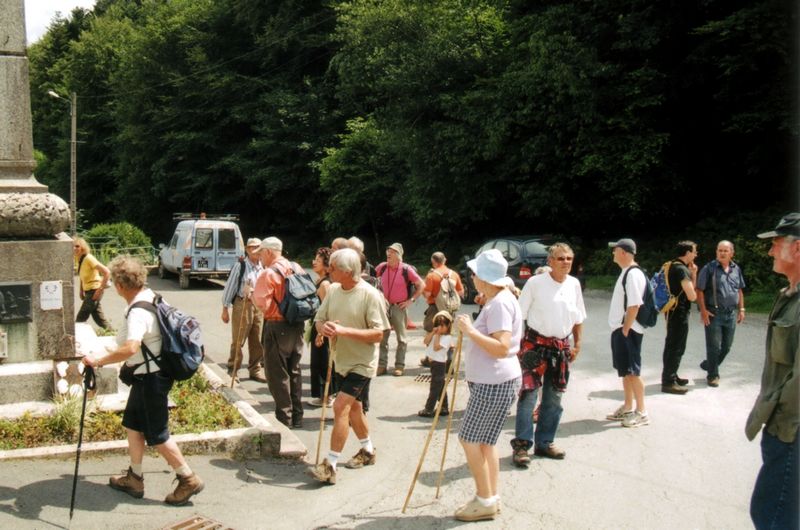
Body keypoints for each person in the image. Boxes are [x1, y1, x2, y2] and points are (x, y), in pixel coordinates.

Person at [81, 255, 203, 505]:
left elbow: (130, 347)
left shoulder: (137, 311)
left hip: (151, 380)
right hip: (147, 377)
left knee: (157, 434)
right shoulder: (150, 296)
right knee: (133, 426)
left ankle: (188, 478)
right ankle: (134, 478)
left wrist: (98, 361)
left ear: (120, 285)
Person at [452, 249, 522, 522]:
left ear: (483, 278)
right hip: (496, 381)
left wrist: (469, 331)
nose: (470, 277)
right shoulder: (499, 298)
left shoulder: (500, 303)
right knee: (485, 442)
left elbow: (502, 347)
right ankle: (490, 496)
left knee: (469, 438)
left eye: (474, 274)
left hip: (494, 382)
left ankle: (484, 499)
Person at [309, 248, 390, 485]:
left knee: (341, 407)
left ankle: (330, 465)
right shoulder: (333, 291)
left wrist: (344, 331)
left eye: (332, 268)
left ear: (346, 271)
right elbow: (318, 319)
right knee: (354, 409)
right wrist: (323, 328)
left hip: (362, 364)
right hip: (340, 360)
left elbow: (378, 334)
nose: (328, 271)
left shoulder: (369, 295)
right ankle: (368, 450)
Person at [746, 213, 799, 530]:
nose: (769, 251)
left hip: (790, 431)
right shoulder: (789, 295)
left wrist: (780, 418)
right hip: (782, 429)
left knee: (774, 518)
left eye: (776, 244)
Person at [510, 243, 585, 466]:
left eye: (569, 258)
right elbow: (518, 316)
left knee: (554, 399)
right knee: (528, 396)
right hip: (534, 346)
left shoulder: (574, 284)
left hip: (561, 348)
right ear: (550, 261)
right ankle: (522, 445)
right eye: (561, 258)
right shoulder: (535, 283)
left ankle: (545, 443)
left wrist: (577, 344)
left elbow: (578, 318)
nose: (566, 262)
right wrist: (516, 348)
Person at [252, 237, 306, 428]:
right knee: (295, 370)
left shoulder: (268, 273)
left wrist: (250, 292)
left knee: (277, 373)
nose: (259, 257)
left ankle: (284, 419)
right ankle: (298, 415)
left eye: (260, 253)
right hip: (297, 325)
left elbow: (262, 304)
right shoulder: (296, 267)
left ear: (268, 252)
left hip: (277, 325)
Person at [606, 238, 650, 428]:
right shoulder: (627, 272)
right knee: (626, 371)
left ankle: (642, 412)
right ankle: (627, 407)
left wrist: (625, 329)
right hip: (623, 329)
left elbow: (634, 304)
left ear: (623, 252)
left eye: (615, 250)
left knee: (633, 371)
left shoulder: (633, 274)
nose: (613, 253)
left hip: (628, 330)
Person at [696, 240, 747, 387]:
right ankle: (713, 375)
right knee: (713, 346)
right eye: (720, 250)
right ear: (716, 252)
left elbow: (740, 289)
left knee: (727, 347)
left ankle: (710, 364)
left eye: (725, 250)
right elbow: (699, 290)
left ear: (732, 253)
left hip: (730, 314)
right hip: (714, 313)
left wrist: (741, 309)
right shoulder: (709, 268)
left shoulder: (736, 269)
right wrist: (703, 311)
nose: (722, 253)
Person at [220, 237, 266, 383]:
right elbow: (230, 287)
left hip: (258, 305)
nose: (255, 250)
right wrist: (225, 309)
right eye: (252, 247)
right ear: (247, 249)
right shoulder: (240, 266)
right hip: (242, 304)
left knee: (257, 339)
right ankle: (233, 369)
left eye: (258, 247)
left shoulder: (263, 266)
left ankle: (255, 369)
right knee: (239, 338)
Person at [375, 243, 424, 376]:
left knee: (401, 338)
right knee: (382, 337)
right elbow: (371, 279)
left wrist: (411, 301)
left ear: (398, 255)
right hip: (383, 306)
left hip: (399, 307)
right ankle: (381, 365)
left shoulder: (406, 269)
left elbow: (421, 285)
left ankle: (399, 366)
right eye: (388, 250)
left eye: (392, 251)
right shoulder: (382, 267)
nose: (388, 253)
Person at [660, 241, 699, 395]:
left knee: (671, 343)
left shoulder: (670, 265)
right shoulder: (682, 270)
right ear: (688, 253)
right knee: (677, 346)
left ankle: (671, 375)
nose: (696, 254)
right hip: (679, 312)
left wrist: (693, 273)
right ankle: (668, 382)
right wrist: (693, 275)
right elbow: (692, 295)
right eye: (694, 251)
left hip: (671, 310)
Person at [309, 247, 334, 407]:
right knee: (318, 360)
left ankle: (327, 395)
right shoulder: (320, 281)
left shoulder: (325, 284)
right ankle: (323, 395)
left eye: (317, 261)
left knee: (322, 360)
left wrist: (322, 333)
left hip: (322, 329)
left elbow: (327, 311)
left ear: (326, 266)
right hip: (317, 326)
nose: (313, 263)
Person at [418, 310, 454, 418]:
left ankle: (429, 409)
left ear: (448, 326)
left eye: (443, 326)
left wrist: (437, 335)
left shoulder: (447, 338)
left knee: (434, 387)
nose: (440, 328)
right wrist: (433, 333)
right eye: (438, 325)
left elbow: (436, 347)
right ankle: (444, 407)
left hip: (439, 365)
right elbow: (425, 341)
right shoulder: (436, 335)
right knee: (440, 386)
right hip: (433, 364)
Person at [73, 237, 112, 330]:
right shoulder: (78, 259)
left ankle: (76, 341)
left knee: (80, 319)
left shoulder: (88, 258)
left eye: (77, 246)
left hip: (94, 290)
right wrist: (81, 290)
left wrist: (100, 290)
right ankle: (112, 333)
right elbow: (82, 276)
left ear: (83, 247)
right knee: (99, 319)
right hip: (88, 291)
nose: (74, 248)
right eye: (72, 246)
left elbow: (107, 272)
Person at [422, 252, 465, 332]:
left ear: (433, 262)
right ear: (444, 260)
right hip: (450, 309)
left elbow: (427, 295)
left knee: (432, 333)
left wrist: (422, 289)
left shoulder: (431, 275)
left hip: (435, 309)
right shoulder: (454, 274)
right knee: (447, 334)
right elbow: (461, 292)